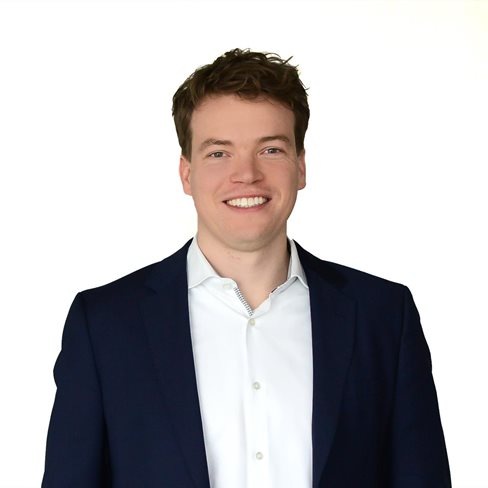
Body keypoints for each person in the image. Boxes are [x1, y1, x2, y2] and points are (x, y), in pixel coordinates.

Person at [42, 48, 451, 487]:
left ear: (300, 167)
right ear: (186, 173)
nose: (247, 174)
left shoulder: (384, 316)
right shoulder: (104, 325)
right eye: (219, 153)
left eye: (271, 149)